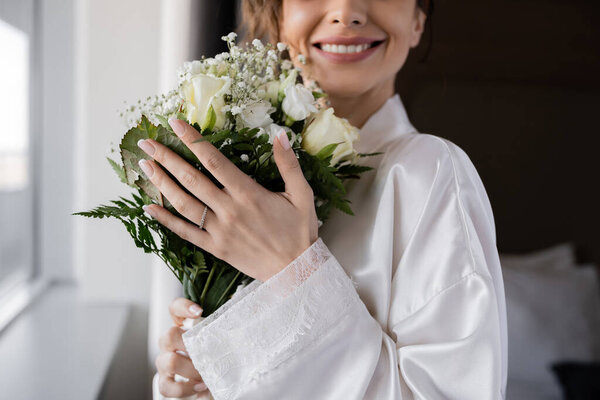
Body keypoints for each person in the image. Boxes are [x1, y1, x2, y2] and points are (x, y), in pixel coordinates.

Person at [150, 0, 508, 399]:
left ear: (417, 23)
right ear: (279, 19)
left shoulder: (430, 171)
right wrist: (206, 377)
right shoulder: (243, 173)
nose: (346, 11)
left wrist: (294, 270)